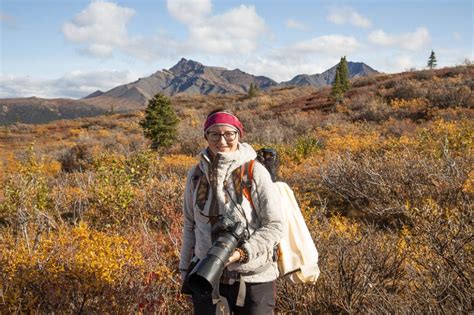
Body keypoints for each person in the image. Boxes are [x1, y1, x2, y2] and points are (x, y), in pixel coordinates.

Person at [179, 109, 284, 314]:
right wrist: (184, 270)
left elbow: (275, 224)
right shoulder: (196, 175)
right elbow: (189, 226)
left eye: (229, 134)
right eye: (214, 134)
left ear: (239, 135)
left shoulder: (255, 172)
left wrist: (241, 253)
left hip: (253, 276)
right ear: (206, 136)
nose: (222, 140)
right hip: (206, 277)